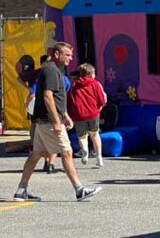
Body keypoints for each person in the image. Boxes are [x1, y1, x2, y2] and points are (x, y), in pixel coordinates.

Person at [12, 42, 101, 202]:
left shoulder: (51, 69)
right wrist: (56, 121)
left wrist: (65, 115)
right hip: (48, 121)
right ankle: (79, 189)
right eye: (68, 55)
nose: (71, 58)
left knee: (36, 154)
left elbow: (57, 97)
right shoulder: (51, 70)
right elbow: (47, 96)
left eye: (71, 55)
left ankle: (21, 190)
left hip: (44, 120)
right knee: (66, 152)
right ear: (57, 54)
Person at [67, 63, 106, 167]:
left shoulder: (74, 86)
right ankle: (99, 158)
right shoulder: (95, 84)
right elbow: (101, 99)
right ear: (91, 74)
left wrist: (71, 115)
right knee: (95, 135)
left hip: (79, 115)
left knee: (82, 136)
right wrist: (99, 107)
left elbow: (70, 101)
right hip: (93, 113)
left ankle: (84, 151)